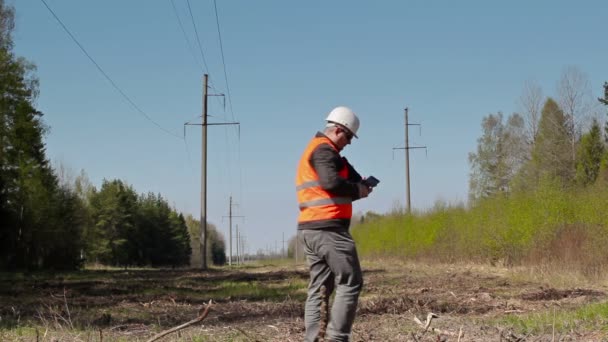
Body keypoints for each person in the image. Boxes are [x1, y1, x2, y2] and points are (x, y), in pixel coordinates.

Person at [295, 106, 373, 342]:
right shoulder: (323, 151)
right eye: (348, 136)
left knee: (320, 287)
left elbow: (337, 175)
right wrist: (358, 191)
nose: (349, 142)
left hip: (311, 229)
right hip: (329, 229)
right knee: (351, 280)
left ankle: (314, 339)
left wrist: (355, 177)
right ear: (338, 130)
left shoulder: (321, 150)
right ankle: (337, 339)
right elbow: (330, 183)